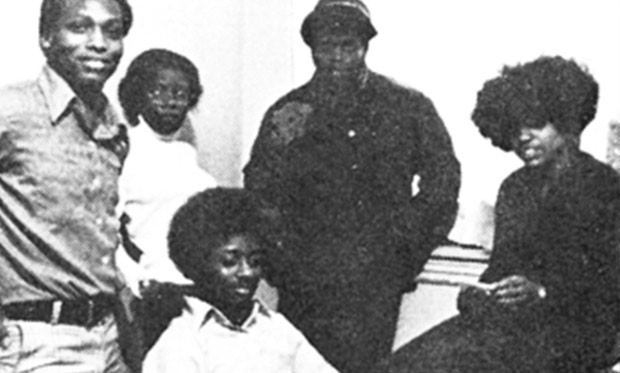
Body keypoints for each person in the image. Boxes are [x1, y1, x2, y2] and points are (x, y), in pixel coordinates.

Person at [243, 1, 461, 372]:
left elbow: (442, 183)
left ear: (366, 46)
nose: (338, 57)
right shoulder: (287, 112)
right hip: (305, 285)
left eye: (348, 45)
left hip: (373, 285)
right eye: (327, 46)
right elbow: (259, 189)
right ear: (312, 48)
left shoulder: (406, 106)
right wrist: (281, 261)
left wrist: (403, 252)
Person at [374, 56, 620, 373]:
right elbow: (500, 270)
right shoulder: (515, 189)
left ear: (566, 120)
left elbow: (610, 291)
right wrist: (480, 293)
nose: (522, 137)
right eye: (514, 128)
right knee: (401, 366)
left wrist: (542, 292)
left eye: (536, 123)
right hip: (516, 329)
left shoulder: (605, 188)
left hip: (580, 334)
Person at [0, 0, 134, 372]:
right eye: (80, 27)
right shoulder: (10, 111)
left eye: (113, 30)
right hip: (39, 342)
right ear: (46, 38)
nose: (99, 43)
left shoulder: (113, 124)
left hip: (109, 339)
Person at [142, 187, 339, 373]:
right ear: (198, 263)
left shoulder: (277, 328)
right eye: (230, 262)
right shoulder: (183, 339)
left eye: (256, 261)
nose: (247, 273)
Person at [115, 48, 218, 350]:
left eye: (180, 92)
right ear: (138, 95)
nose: (171, 100)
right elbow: (107, 230)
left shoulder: (186, 154)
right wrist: (137, 282)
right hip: (153, 298)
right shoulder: (125, 150)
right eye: (158, 90)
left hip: (198, 293)